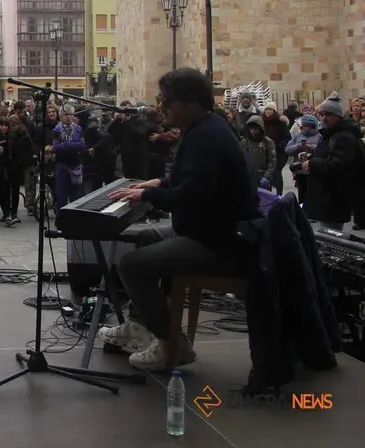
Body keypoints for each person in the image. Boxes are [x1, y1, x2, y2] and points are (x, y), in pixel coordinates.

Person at [100, 68, 258, 371]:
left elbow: (192, 193)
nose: (161, 106)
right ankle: (139, 326)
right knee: (145, 238)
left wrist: (146, 197)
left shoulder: (206, 137)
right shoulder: (206, 128)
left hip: (218, 243)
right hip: (208, 231)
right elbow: (191, 180)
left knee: (131, 266)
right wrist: (157, 184)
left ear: (189, 103)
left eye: (167, 100)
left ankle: (172, 343)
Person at [301, 93, 365, 232]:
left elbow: (338, 165)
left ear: (339, 116)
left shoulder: (344, 137)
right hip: (326, 196)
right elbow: (328, 156)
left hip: (334, 198)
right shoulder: (330, 134)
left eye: (329, 115)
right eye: (322, 114)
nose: (324, 118)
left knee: (331, 239)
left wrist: (313, 163)